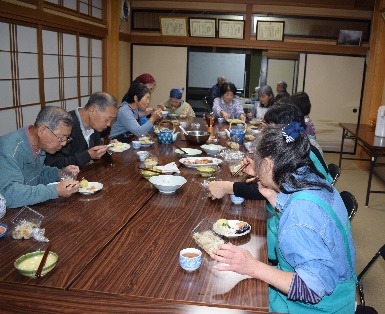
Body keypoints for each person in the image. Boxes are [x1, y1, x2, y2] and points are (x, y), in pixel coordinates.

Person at [212, 123, 356, 313]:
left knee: (227, 301)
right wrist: (273, 197)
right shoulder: (310, 177)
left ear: (269, 165)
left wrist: (253, 267)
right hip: (341, 293)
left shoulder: (300, 214)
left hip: (319, 307)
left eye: (258, 161)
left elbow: (313, 290)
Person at [0, 106, 80, 209]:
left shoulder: (39, 145)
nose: (64, 143)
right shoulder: (9, 149)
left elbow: (37, 174)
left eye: (66, 138)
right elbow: (9, 195)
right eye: (61, 138)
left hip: (27, 208)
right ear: (42, 130)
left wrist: (60, 173)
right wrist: (54, 190)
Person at [45, 92, 118, 169]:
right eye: (107, 119)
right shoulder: (66, 126)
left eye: (112, 120)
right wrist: (87, 156)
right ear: (92, 110)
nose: (109, 124)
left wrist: (109, 148)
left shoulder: (94, 126)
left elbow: (96, 152)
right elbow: (53, 163)